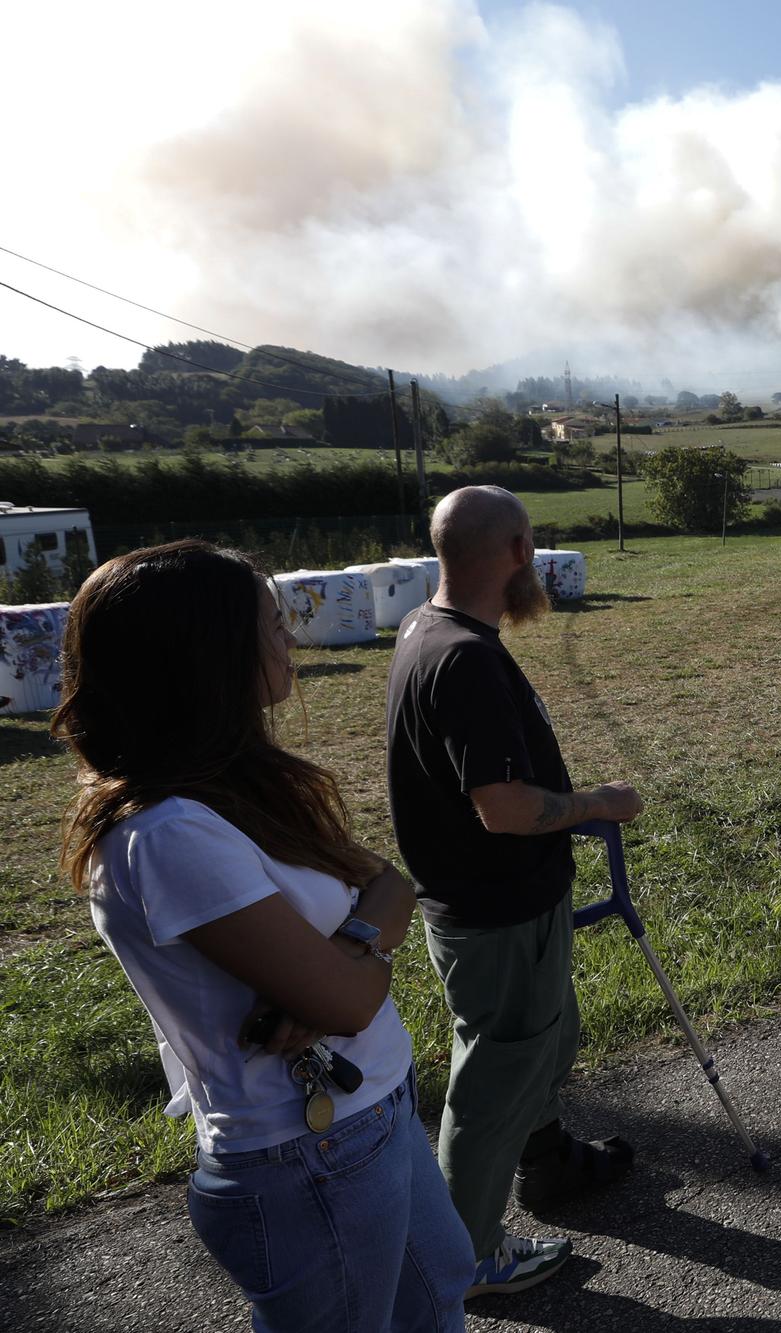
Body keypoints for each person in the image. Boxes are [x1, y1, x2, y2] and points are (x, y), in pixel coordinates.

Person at [56, 540, 471, 1331]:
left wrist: (340, 955)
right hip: (306, 1157)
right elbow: (352, 994)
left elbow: (391, 882)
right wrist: (348, 962)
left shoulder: (242, 789)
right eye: (271, 626)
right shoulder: (170, 833)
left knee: (439, 1296)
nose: (287, 641)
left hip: (372, 1113)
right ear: (205, 658)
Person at [385, 486, 643, 1296]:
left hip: (491, 902)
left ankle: (548, 1161)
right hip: (496, 910)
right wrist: (599, 804)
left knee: (541, 1043)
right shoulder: (464, 657)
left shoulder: (427, 628)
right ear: (521, 552)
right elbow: (504, 807)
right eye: (533, 545)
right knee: (495, 1084)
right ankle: (464, 1257)